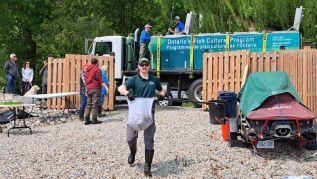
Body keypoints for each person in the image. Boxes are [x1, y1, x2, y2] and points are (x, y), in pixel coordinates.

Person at [118, 57, 165, 177]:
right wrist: (127, 93)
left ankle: (147, 166)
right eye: (142, 65)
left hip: (149, 114)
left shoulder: (154, 79)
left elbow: (161, 90)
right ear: (138, 66)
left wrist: (161, 95)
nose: (144, 67)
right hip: (135, 114)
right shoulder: (134, 79)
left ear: (149, 66)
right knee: (130, 138)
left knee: (149, 139)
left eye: (146, 65)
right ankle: (132, 152)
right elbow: (120, 88)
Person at [84, 58, 108, 125]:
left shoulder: (87, 70)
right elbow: (100, 80)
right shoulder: (97, 69)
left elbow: (86, 80)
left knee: (88, 105)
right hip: (95, 88)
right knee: (94, 105)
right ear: (96, 62)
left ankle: (87, 119)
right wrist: (106, 87)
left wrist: (86, 88)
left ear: (91, 62)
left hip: (88, 88)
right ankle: (94, 120)